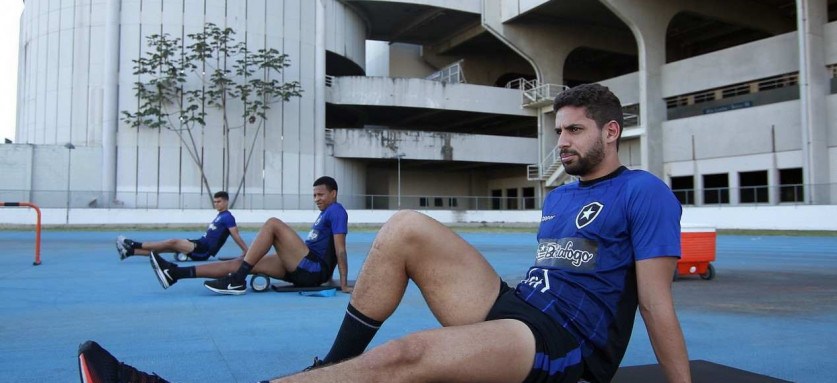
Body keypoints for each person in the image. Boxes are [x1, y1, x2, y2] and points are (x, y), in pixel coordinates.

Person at [78, 84, 690, 383]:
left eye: (576, 131)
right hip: (521, 305)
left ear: (611, 133)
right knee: (403, 228)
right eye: (559, 131)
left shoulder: (644, 193)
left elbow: (656, 303)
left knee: (406, 355)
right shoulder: (560, 198)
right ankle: (334, 370)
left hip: (571, 346)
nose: (562, 142)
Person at [148, 176, 351, 296]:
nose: (316, 199)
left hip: (312, 269)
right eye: (314, 195)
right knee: (242, 261)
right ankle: (174, 273)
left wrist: (341, 283)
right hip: (303, 268)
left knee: (273, 224)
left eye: (321, 195)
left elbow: (340, 249)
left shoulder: (337, 211)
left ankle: (237, 280)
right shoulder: (325, 213)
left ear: (333, 193)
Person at [115, 191, 249, 262]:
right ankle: (130, 252)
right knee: (166, 247)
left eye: (219, 202)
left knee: (172, 242)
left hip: (203, 250)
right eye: (214, 202)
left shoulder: (228, 217)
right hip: (199, 243)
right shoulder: (220, 215)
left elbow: (235, 235)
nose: (216, 204)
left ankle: (133, 244)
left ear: (226, 201)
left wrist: (246, 251)